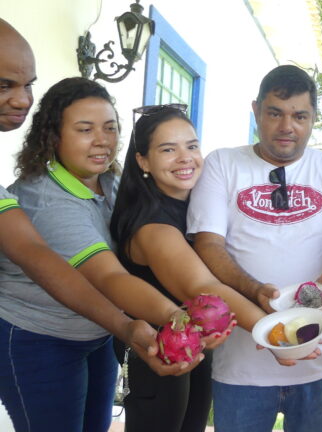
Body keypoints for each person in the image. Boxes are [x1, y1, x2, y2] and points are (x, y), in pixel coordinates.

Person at [0, 21, 190, 432]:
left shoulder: (113, 182)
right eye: (85, 130)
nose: (102, 140)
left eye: (110, 127)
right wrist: (178, 318)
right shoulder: (46, 201)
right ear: (53, 137)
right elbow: (107, 276)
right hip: (39, 338)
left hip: (97, 332)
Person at [188, 65, 322, 431]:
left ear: (313, 118)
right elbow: (208, 245)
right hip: (240, 365)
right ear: (256, 111)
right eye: (275, 113)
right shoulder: (223, 164)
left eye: (300, 116)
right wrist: (254, 291)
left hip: (319, 360)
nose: (287, 126)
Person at [111, 104, 279, 431]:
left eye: (191, 146)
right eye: (168, 150)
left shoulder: (195, 207)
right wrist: (276, 331)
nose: (185, 158)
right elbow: (201, 288)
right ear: (143, 161)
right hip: (155, 348)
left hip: (194, 340)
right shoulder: (153, 226)